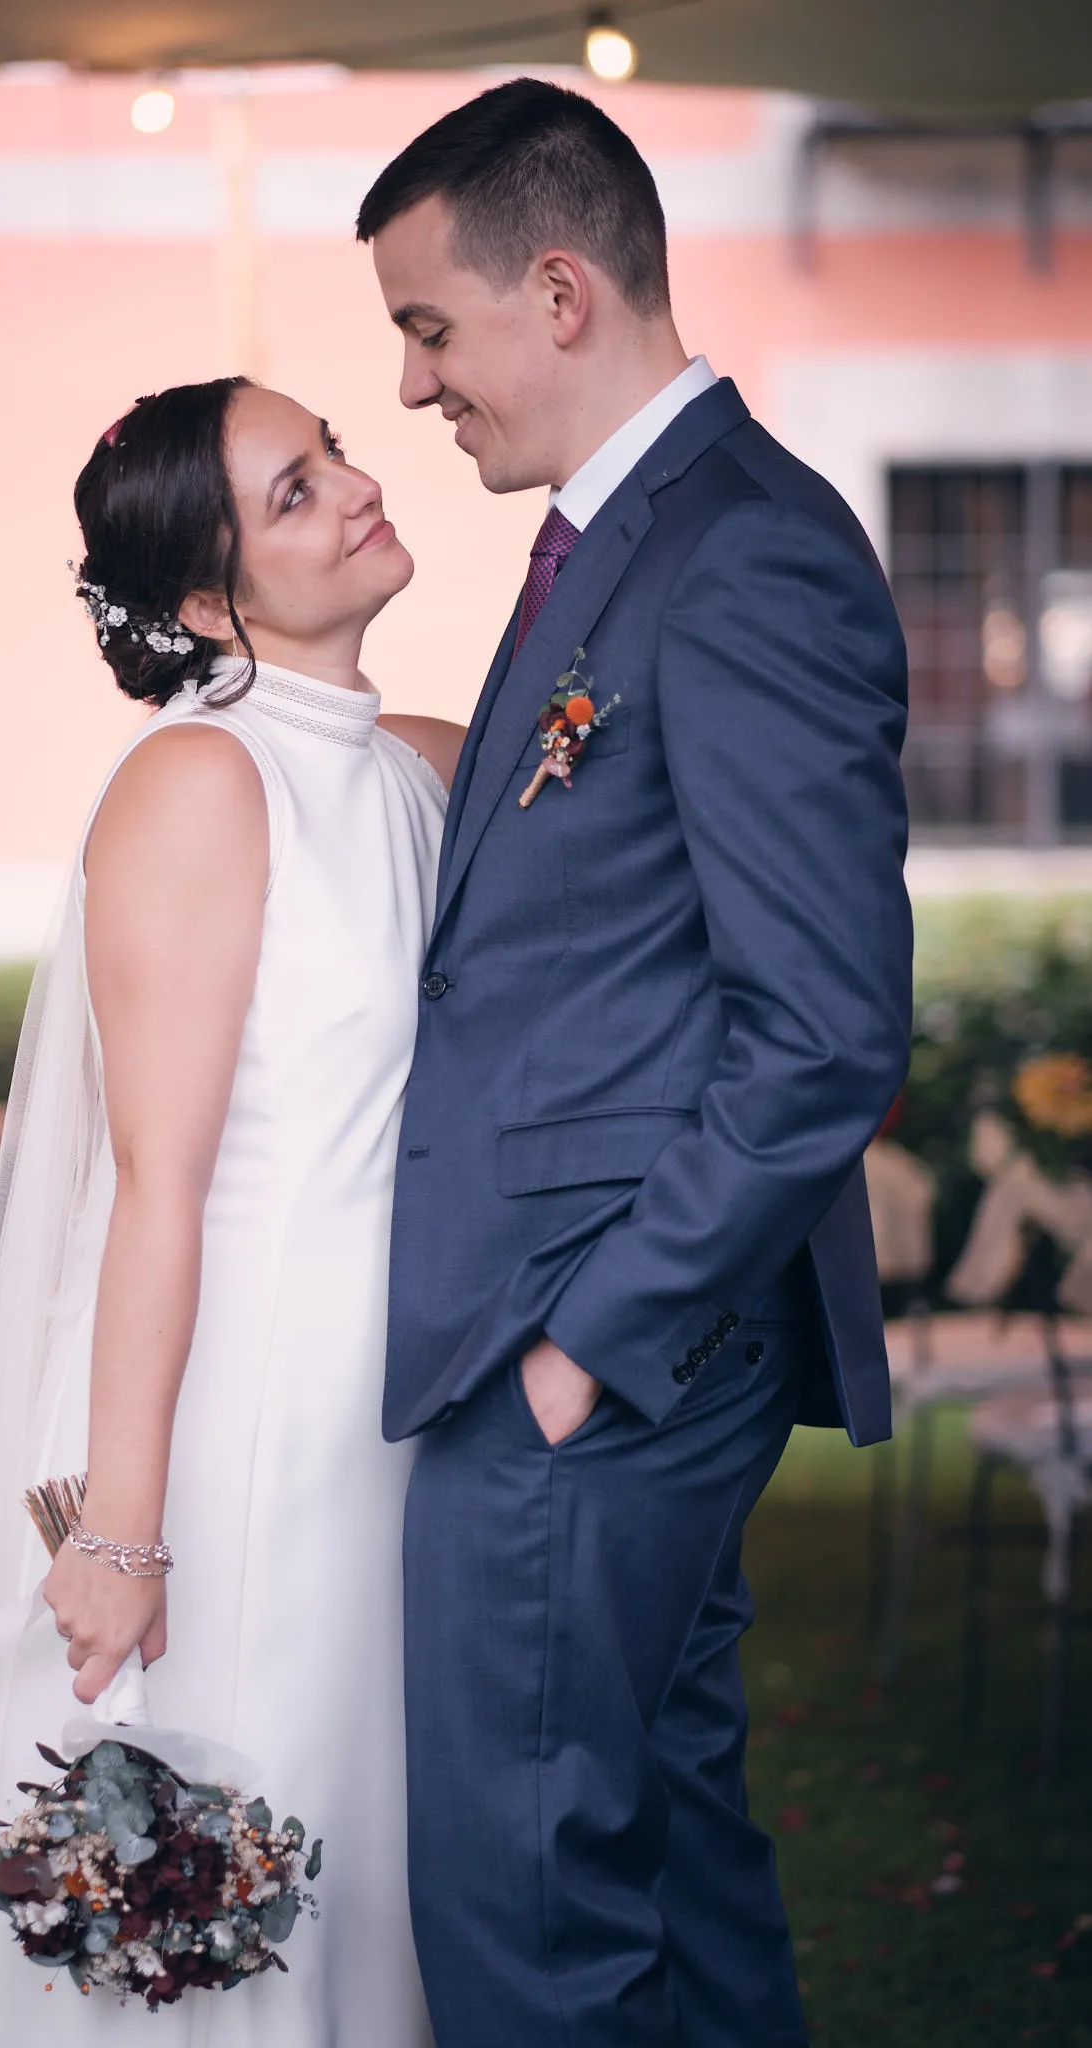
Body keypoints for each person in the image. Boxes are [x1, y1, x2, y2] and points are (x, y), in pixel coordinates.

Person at [358, 79, 911, 2048]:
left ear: (561, 292)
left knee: (526, 1906)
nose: (413, 385)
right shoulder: (627, 537)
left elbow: (826, 1028)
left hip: (603, 1338)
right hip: (598, 1339)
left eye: (429, 326)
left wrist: (582, 1349)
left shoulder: (741, 553)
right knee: (663, 1862)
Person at [0, 379, 457, 2047]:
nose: (357, 486)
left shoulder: (407, 764)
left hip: (378, 1419)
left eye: (333, 453)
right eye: (295, 490)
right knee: (212, 1867)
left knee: (360, 1858)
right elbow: (158, 1183)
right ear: (205, 604)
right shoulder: (199, 781)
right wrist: (121, 1535)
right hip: (226, 1420)